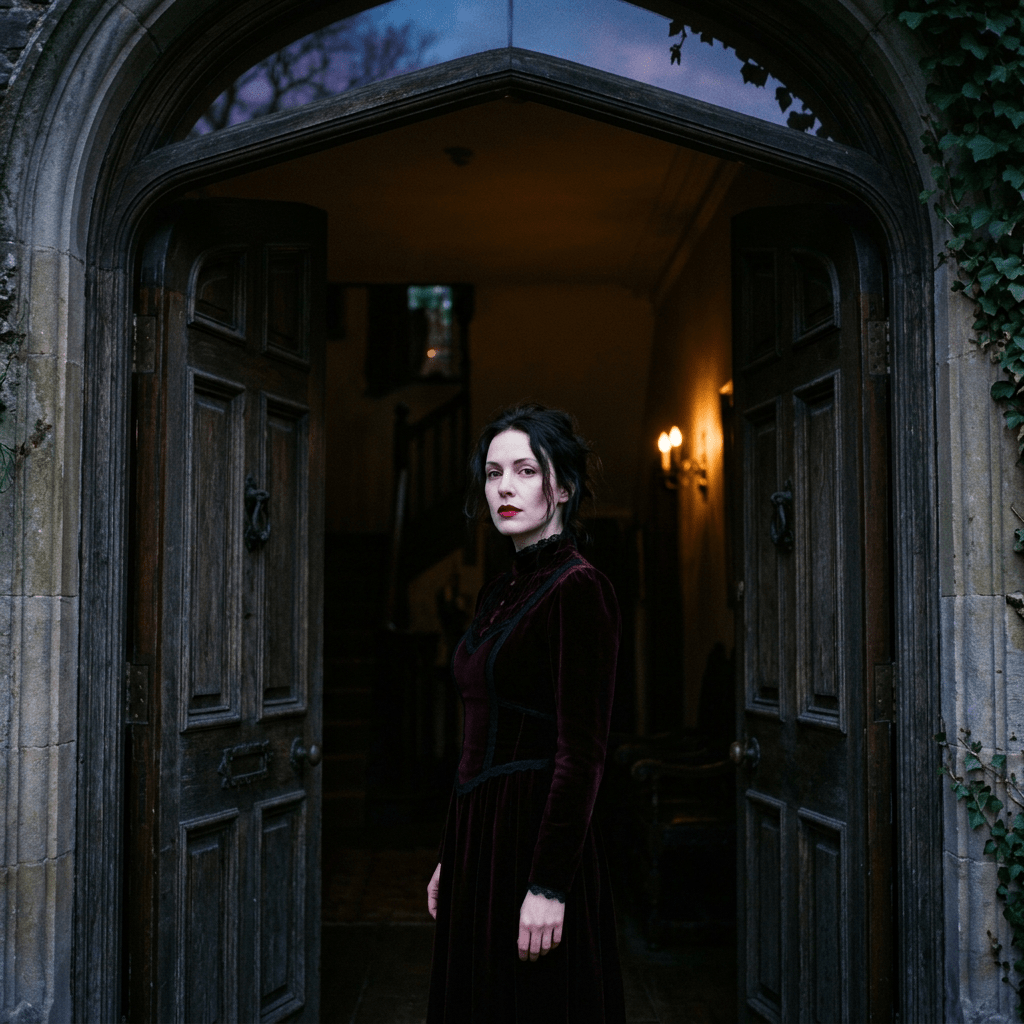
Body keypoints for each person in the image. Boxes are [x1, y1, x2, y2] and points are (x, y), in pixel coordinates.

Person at [426, 404, 626, 1024]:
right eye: (492, 473)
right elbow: (476, 737)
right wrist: (451, 852)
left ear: (561, 487)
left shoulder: (577, 589)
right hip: (480, 842)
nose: (504, 488)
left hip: (534, 841)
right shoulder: (499, 589)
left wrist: (547, 885)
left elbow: (582, 753)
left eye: (524, 471)